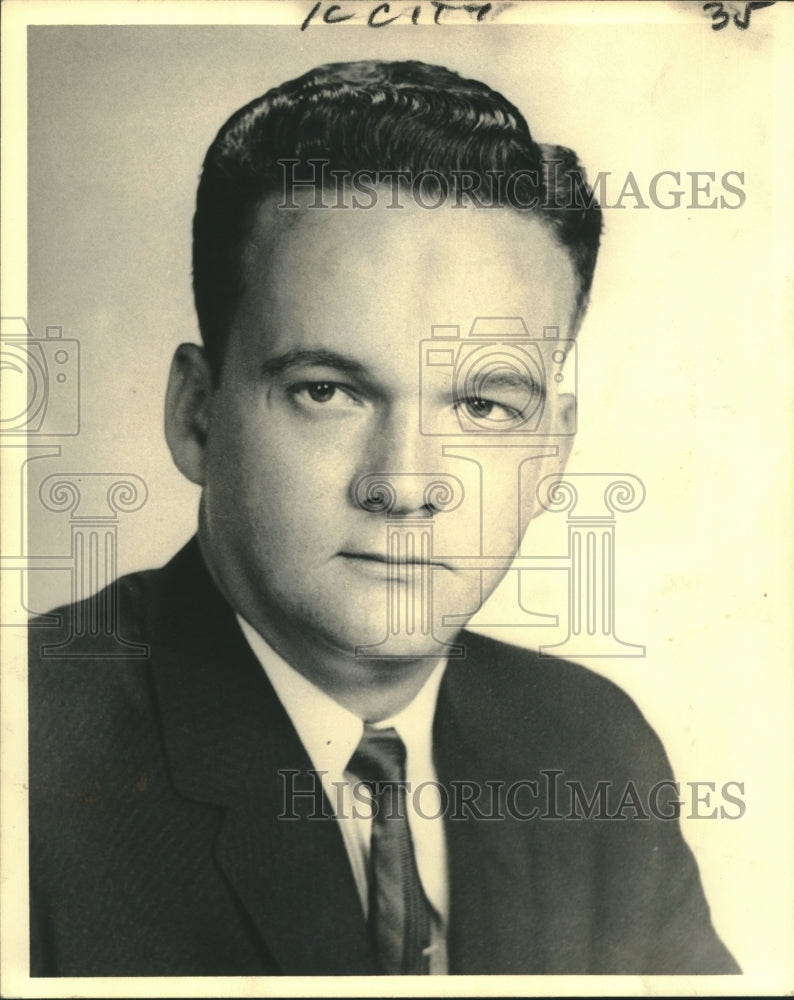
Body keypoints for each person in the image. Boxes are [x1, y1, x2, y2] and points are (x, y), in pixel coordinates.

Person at [28, 60, 739, 977]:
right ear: (196, 416)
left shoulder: (588, 746)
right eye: (328, 390)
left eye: (485, 407)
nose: (406, 485)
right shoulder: (32, 754)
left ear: (553, 449)